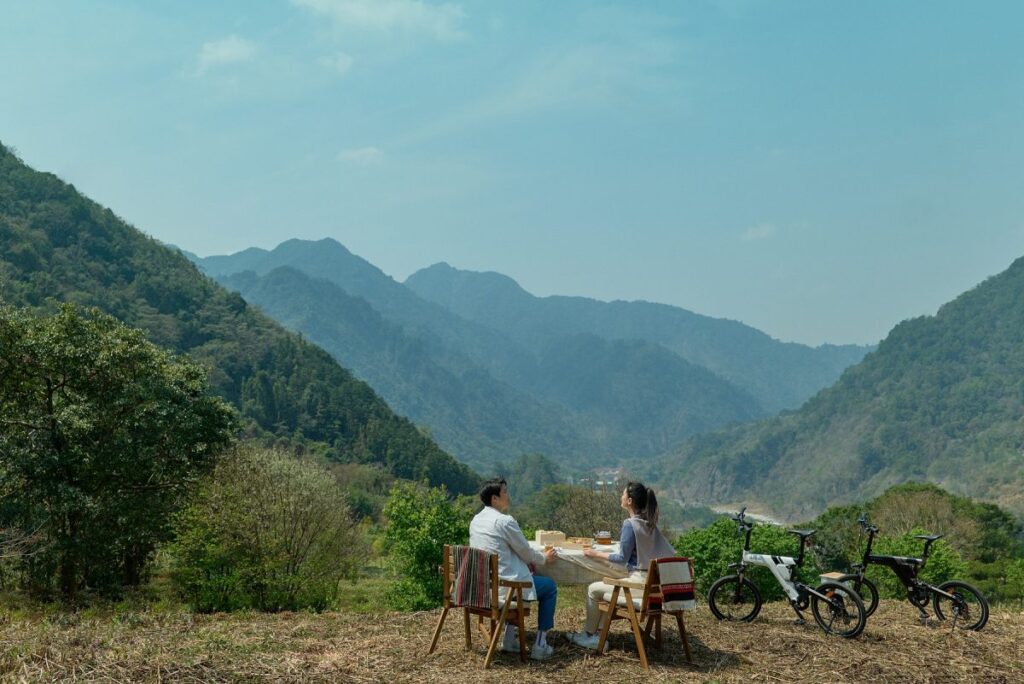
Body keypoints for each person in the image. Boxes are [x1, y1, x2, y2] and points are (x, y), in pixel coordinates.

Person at [567, 481, 676, 650]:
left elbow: (621, 558)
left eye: (623, 494)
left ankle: (589, 635)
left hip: (639, 583)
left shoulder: (629, 524)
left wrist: (594, 554)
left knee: (593, 589)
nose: (621, 496)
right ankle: (598, 634)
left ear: (630, 501)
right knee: (605, 587)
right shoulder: (649, 522)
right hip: (654, 585)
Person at [469, 478, 559, 660]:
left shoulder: (476, 520)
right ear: (495, 499)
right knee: (549, 587)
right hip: (505, 587)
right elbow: (526, 552)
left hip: (484, 586)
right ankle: (541, 644)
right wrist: (545, 558)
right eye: (505, 492)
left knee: (518, 578)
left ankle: (509, 638)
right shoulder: (504, 521)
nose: (508, 496)